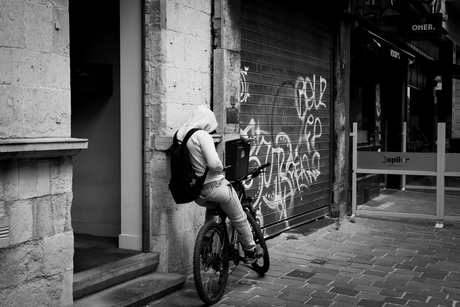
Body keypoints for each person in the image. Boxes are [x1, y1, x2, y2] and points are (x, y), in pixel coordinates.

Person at [175, 104, 263, 264]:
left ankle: (205, 246)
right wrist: (221, 167)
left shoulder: (181, 134)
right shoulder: (202, 136)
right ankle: (250, 250)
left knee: (212, 212)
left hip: (196, 192)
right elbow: (213, 163)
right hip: (214, 187)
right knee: (239, 217)